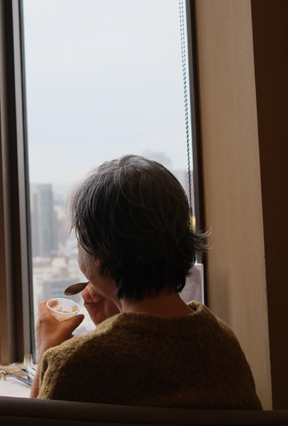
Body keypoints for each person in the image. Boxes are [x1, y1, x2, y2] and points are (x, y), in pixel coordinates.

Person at [29, 155, 261, 409]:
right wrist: (113, 324)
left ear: (100, 259)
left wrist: (46, 353)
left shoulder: (74, 364)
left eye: (79, 240)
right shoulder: (224, 345)